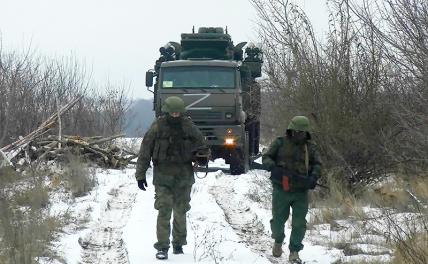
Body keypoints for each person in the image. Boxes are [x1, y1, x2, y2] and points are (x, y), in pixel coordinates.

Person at [135, 96, 208, 260]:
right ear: (167, 112)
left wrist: (202, 156)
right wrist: (140, 174)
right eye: (172, 112)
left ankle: (178, 244)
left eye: (178, 113)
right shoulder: (158, 127)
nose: (175, 115)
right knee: (164, 210)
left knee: (181, 211)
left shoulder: (188, 126)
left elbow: (202, 145)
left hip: (184, 176)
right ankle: (162, 247)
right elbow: (145, 151)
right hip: (163, 177)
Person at [262, 116, 322, 264]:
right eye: (296, 131)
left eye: (301, 132)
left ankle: (294, 251)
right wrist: (273, 168)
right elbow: (266, 157)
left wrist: (313, 177)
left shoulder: (310, 147)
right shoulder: (279, 142)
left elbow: (317, 164)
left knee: (299, 223)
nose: (298, 134)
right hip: (281, 189)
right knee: (277, 221)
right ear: (290, 129)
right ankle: (278, 241)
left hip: (300, 192)